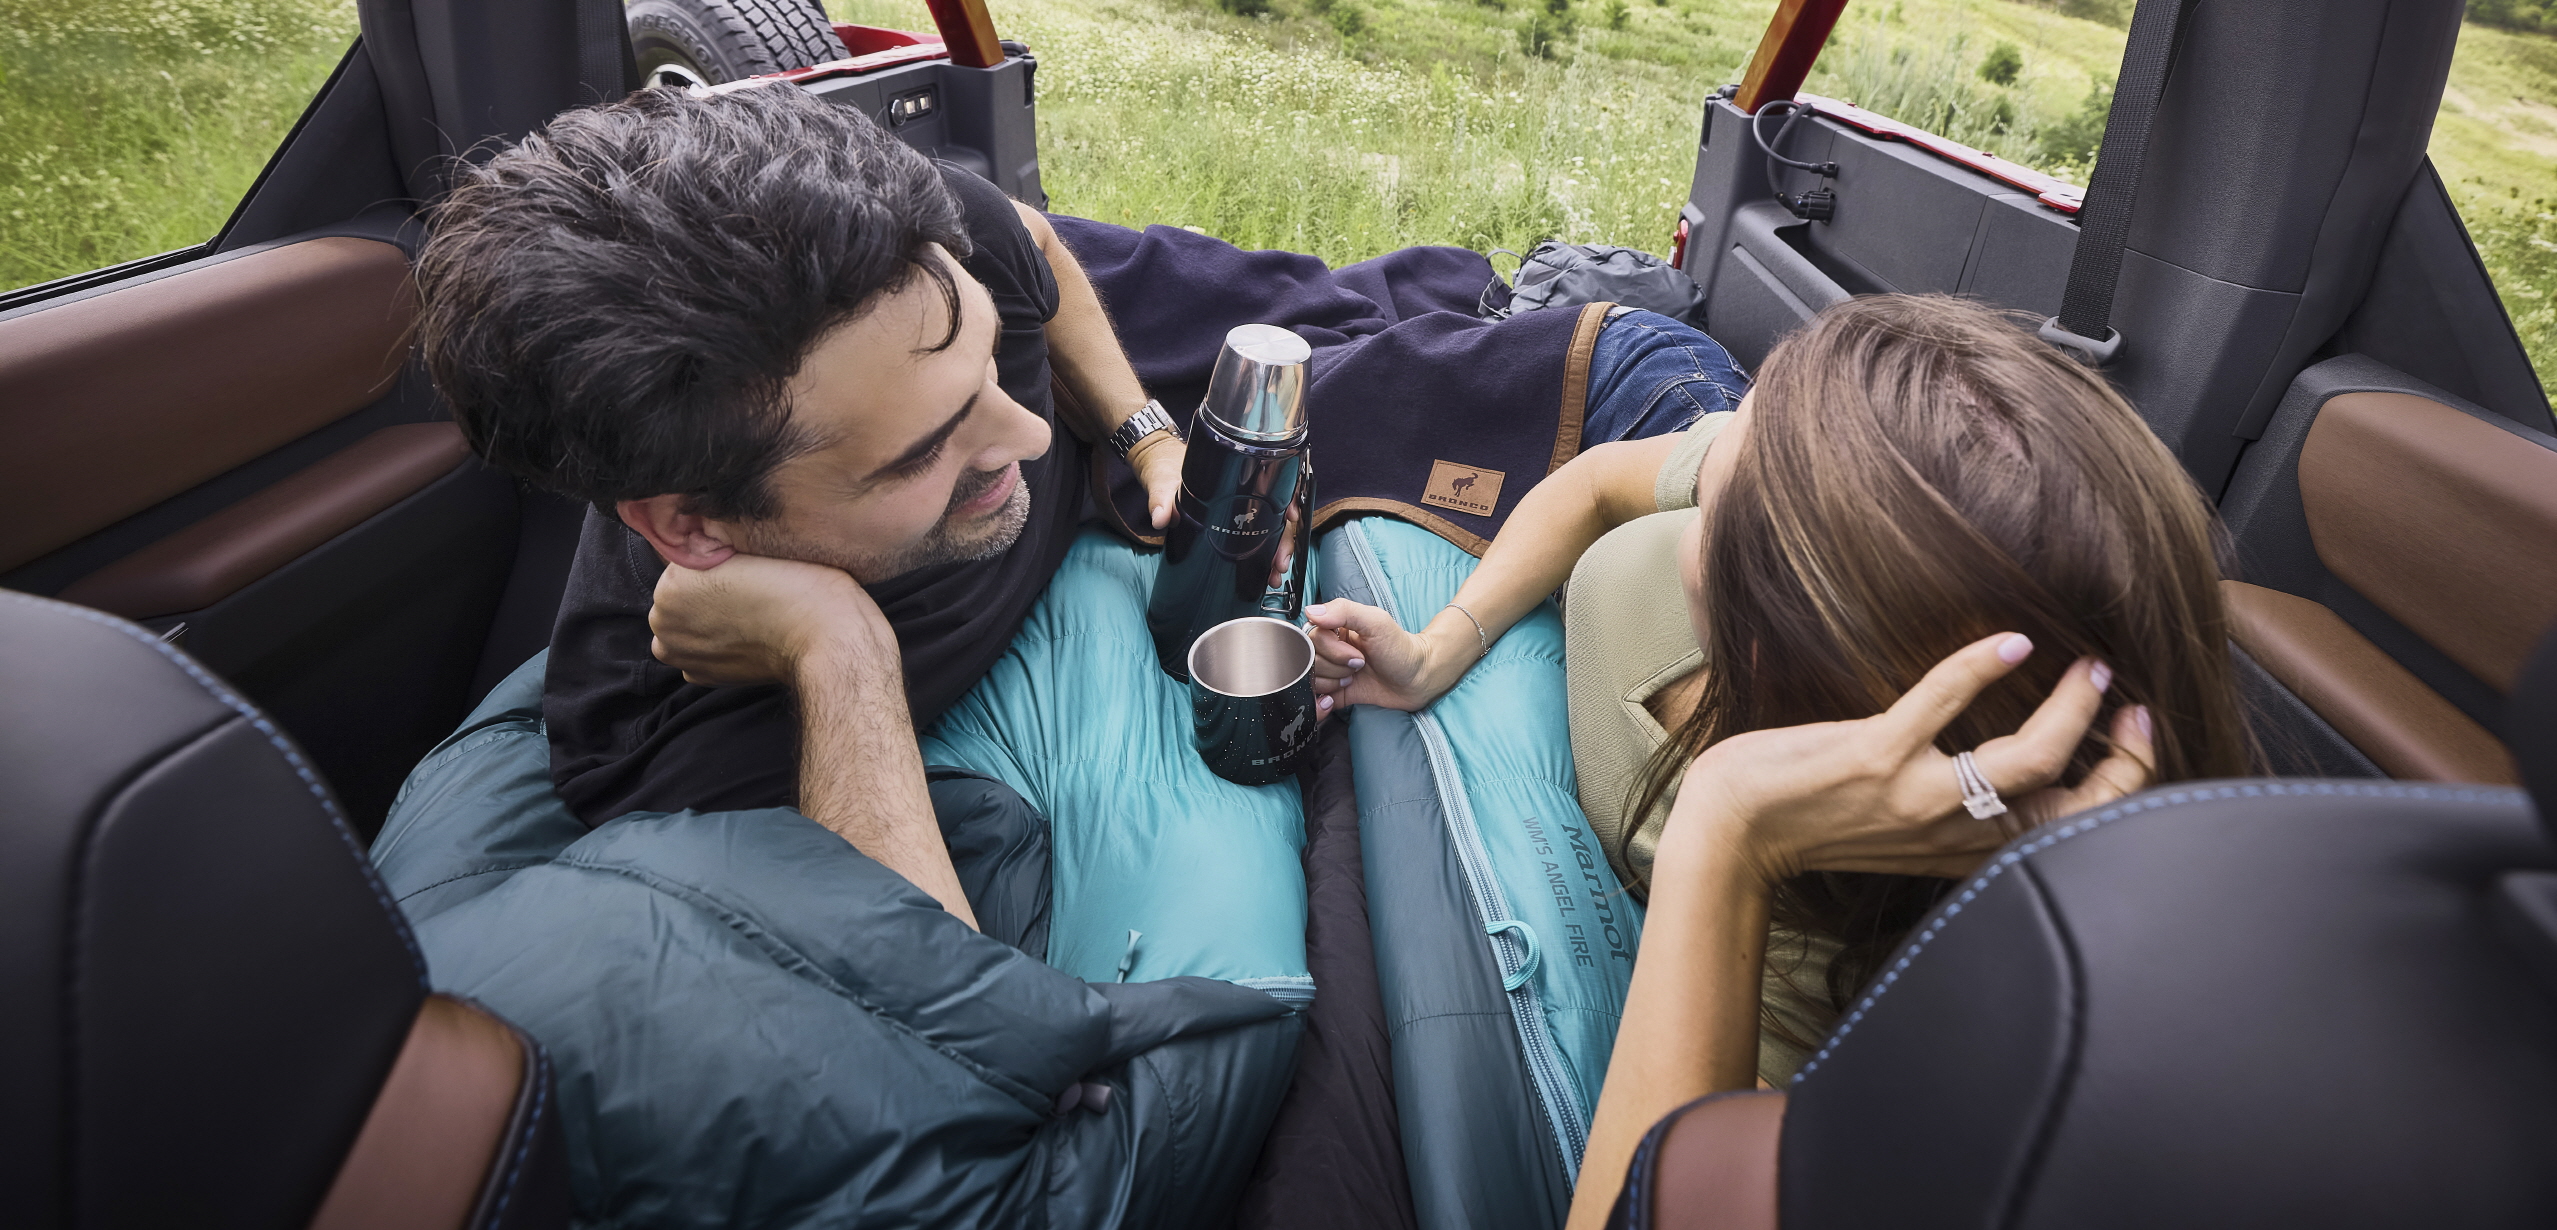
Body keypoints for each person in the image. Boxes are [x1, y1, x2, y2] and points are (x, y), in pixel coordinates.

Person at [1307, 293, 2256, 1213]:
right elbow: (1596, 483)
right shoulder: (1751, 481)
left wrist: (1730, 834)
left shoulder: (1834, 994)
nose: (1716, 444)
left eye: (1724, 476)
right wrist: (1442, 647)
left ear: (1770, 643)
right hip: (1647, 377)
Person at [415, 82, 1189, 921]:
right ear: (692, 528)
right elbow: (922, 977)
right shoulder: (681, 759)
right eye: (923, 451)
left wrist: (1143, 436)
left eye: (991, 355)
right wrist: (833, 643)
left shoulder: (919, 253)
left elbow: (1026, 236)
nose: (1028, 437)